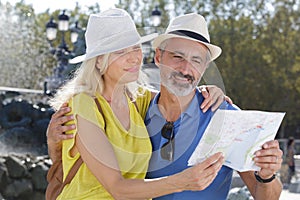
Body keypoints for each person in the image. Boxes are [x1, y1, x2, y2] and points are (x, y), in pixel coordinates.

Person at [48, 12, 283, 200]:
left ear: (204, 68)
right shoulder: (140, 106)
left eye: (196, 61)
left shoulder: (226, 117)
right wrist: (53, 139)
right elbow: (106, 179)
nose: (185, 69)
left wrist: (267, 176)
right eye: (177, 57)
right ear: (159, 57)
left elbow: (267, 197)